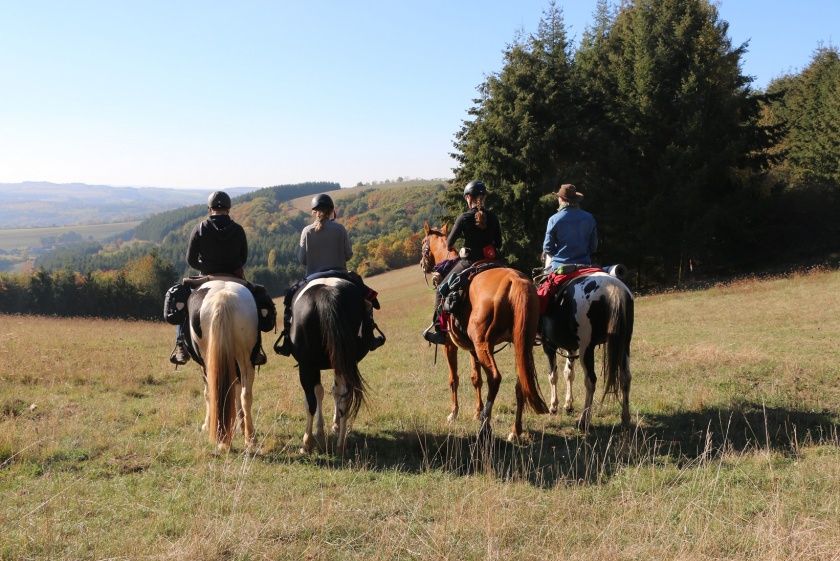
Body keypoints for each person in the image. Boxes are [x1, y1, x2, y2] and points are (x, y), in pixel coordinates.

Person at [275, 193, 385, 356]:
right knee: (366, 300)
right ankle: (369, 336)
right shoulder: (340, 229)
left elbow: (302, 259)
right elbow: (348, 255)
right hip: (340, 273)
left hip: (312, 276)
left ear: (314, 212)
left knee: (289, 301)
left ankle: (286, 341)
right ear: (332, 210)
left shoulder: (307, 231)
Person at [170, 191, 267, 366]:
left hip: (206, 277)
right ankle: (257, 348)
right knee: (255, 301)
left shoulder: (199, 228)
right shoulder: (238, 229)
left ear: (209, 209)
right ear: (228, 209)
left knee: (184, 301)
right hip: (234, 278)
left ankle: (180, 346)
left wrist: (205, 267)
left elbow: (190, 260)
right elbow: (243, 258)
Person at [422, 179, 502, 345]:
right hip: (494, 261)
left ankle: (439, 330)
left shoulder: (464, 218)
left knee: (442, 289)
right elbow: (499, 243)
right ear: (483, 197)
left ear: (468, 198)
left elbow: (449, 244)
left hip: (470, 262)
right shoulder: (493, 216)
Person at [542, 183, 598, 271]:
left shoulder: (554, 219)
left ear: (561, 199)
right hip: (585, 265)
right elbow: (593, 247)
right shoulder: (589, 218)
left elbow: (547, 248)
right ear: (576, 200)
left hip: (560, 266)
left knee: (544, 284)